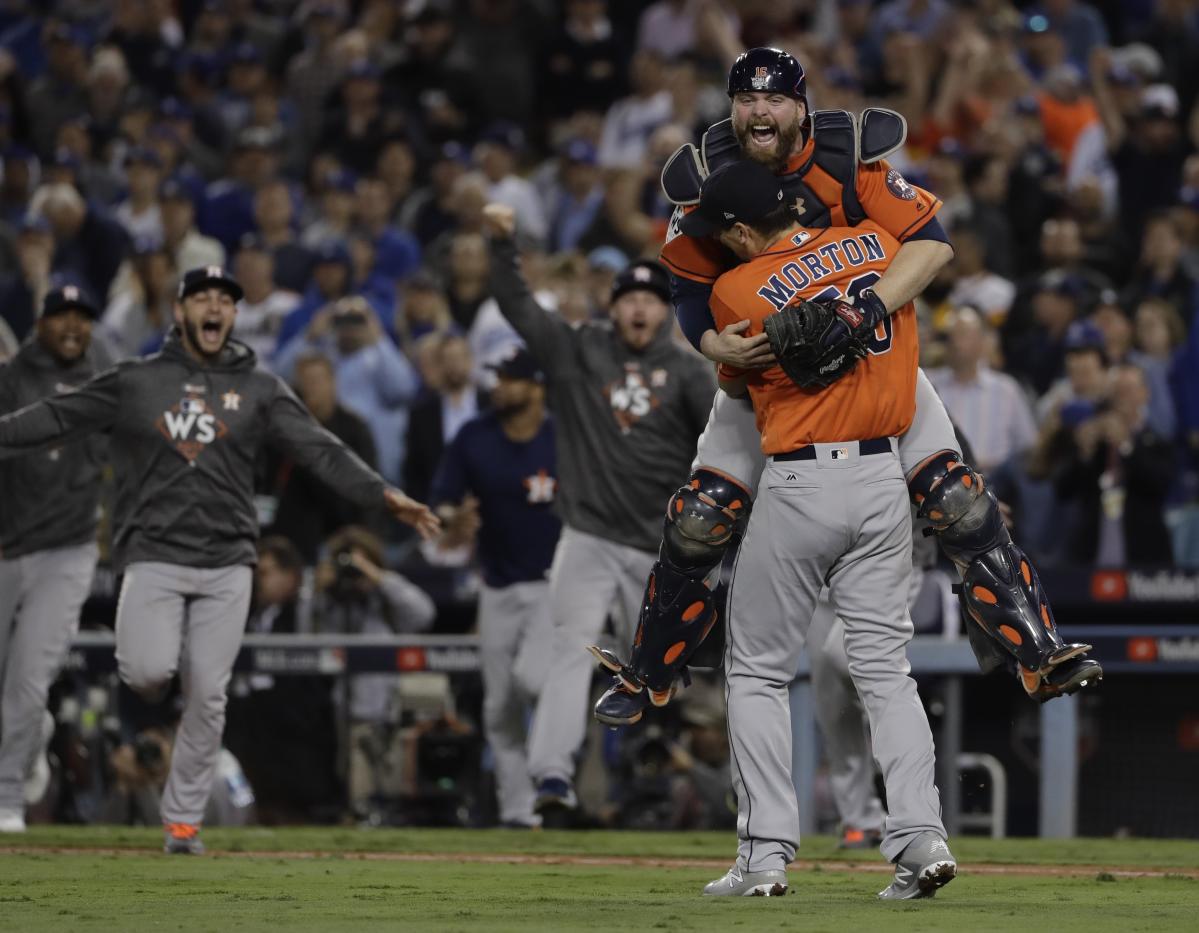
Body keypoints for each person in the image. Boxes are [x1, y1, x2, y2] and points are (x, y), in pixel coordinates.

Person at [592, 48, 1101, 740]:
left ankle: (1036, 652)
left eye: (773, 100)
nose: (759, 112)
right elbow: (685, 288)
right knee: (699, 516)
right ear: (732, 107)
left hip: (871, 361)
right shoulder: (711, 176)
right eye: (745, 99)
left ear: (800, 107)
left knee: (956, 497)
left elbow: (931, 243)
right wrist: (715, 345)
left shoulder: (847, 157)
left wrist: (863, 309)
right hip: (770, 376)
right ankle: (649, 672)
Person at [0, 265, 439, 854]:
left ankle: (182, 823)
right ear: (180, 312)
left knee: (209, 693)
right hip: (154, 554)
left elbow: (318, 448)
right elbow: (57, 415)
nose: (215, 307)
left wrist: (382, 494)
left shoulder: (259, 386)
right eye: (202, 298)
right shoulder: (136, 380)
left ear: (232, 315)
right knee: (148, 672)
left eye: (224, 300)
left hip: (229, 561)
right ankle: (165, 678)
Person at [686, 158, 955, 899]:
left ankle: (764, 856)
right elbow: (930, 241)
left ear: (742, 229)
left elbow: (735, 380)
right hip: (883, 480)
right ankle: (919, 836)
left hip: (800, 478)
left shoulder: (734, 287)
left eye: (725, 232)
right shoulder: (873, 242)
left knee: (758, 668)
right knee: (884, 668)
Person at [483, 202, 715, 817]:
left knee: (691, 672)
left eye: (650, 299)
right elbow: (519, 309)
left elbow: (727, 444)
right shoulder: (578, 351)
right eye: (628, 299)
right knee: (568, 652)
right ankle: (552, 782)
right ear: (612, 308)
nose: (639, 308)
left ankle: (733, 795)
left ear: (666, 310)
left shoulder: (690, 374)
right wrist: (501, 245)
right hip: (587, 536)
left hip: (662, 550)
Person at [430, 346, 560, 828]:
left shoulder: (564, 437)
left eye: (510, 378)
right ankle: (518, 812)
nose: (498, 386)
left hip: (554, 584)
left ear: (537, 386)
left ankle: (554, 771)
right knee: (500, 704)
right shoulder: (475, 436)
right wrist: (452, 519)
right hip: (498, 583)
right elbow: (442, 500)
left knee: (533, 680)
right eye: (497, 377)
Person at [0, 285, 108, 834]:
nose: (72, 326)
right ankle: (31, 738)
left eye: (81, 317)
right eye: (61, 316)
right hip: (5, 545)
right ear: (40, 324)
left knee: (27, 676)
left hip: (67, 549)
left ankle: (7, 799)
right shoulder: (12, 378)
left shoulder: (106, 375)